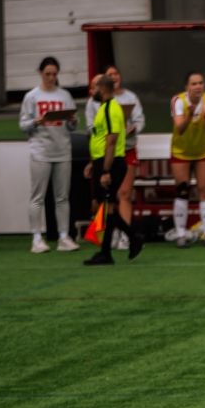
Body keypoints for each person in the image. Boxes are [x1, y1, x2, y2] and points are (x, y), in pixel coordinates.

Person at [18, 56, 78, 254]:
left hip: (62, 150)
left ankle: (64, 237)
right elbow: (22, 125)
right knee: (38, 197)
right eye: (47, 74)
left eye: (54, 74)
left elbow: (72, 126)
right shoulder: (32, 96)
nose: (51, 78)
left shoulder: (65, 95)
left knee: (62, 197)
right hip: (40, 151)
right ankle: (37, 238)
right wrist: (37, 121)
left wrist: (72, 119)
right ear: (40, 73)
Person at [83, 70, 141, 266]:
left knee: (106, 207)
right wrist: (94, 163)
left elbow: (111, 140)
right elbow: (101, 140)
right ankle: (109, 250)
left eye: (94, 87)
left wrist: (106, 171)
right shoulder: (105, 108)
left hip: (111, 163)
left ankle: (130, 239)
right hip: (104, 161)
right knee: (106, 208)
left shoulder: (109, 109)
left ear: (102, 88)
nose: (92, 91)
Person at [169, 70, 205, 245]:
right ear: (187, 87)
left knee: (204, 189)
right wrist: (190, 114)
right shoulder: (178, 100)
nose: (198, 87)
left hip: (202, 150)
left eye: (201, 83)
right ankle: (181, 234)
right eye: (194, 84)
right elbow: (180, 128)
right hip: (181, 150)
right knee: (183, 189)